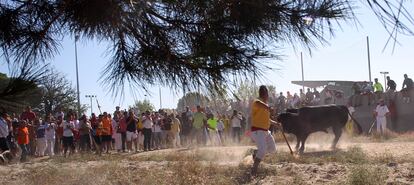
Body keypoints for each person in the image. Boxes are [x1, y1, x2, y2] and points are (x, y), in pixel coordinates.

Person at [250, 85, 280, 176]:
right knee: (262, 151)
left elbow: (267, 120)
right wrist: (269, 108)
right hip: (257, 131)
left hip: (266, 131)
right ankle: (254, 169)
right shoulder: (256, 102)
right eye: (266, 93)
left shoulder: (265, 106)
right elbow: (259, 104)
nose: (267, 95)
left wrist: (275, 123)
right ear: (264, 94)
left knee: (272, 149)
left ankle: (256, 153)